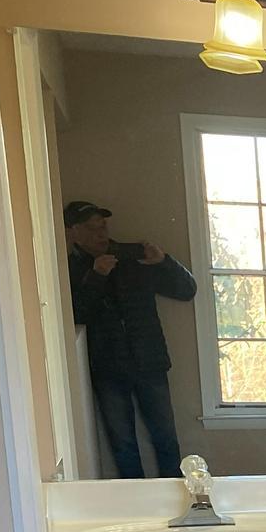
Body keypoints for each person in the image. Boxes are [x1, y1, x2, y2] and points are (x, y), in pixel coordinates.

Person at [65, 199, 196, 479]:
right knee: (123, 446)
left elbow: (187, 290)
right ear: (73, 232)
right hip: (108, 369)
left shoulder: (131, 258)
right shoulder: (69, 270)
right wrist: (97, 276)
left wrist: (163, 262)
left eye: (103, 227)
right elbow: (77, 315)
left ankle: (175, 502)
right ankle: (135, 508)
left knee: (166, 439)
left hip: (150, 361)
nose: (101, 234)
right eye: (92, 229)